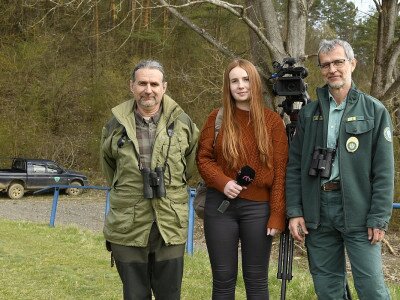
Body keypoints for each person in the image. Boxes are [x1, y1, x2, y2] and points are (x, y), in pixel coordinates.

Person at [286, 39, 394, 300]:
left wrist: (379, 217)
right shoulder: (309, 114)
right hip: (318, 210)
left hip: (358, 210)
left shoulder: (374, 111)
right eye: (326, 65)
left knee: (371, 288)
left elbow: (384, 171)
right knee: (328, 289)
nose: (332, 69)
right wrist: (295, 211)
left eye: (338, 62)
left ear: (352, 63)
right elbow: (294, 167)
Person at [100, 60, 199, 300]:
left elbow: (191, 166)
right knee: (134, 295)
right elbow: (109, 170)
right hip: (128, 225)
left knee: (170, 295)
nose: (148, 89)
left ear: (164, 87)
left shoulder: (183, 123)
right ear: (131, 86)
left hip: (169, 224)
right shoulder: (114, 125)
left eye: (154, 83)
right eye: (142, 83)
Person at [196, 58, 288, 299]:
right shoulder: (216, 118)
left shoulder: (273, 122)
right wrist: (222, 181)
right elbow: (203, 159)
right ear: (228, 85)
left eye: (246, 79)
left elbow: (280, 173)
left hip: (258, 210)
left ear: (255, 83)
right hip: (220, 208)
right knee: (223, 280)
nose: (240, 85)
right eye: (234, 80)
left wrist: (277, 214)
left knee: (257, 280)